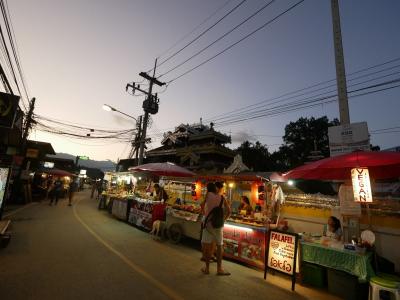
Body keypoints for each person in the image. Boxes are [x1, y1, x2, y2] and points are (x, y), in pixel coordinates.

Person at [201, 181, 231, 276]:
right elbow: (229, 211)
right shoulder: (222, 198)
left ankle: (207, 268)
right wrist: (223, 220)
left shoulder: (208, 195)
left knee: (207, 247)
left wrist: (204, 214)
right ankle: (219, 269)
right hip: (218, 226)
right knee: (219, 246)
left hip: (208, 225)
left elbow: (202, 205)